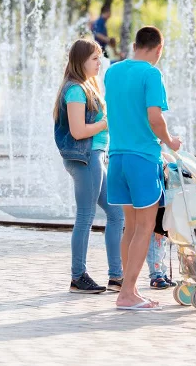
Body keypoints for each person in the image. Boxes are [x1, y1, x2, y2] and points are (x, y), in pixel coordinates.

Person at [104, 26, 181, 310]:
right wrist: (170, 141)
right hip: (143, 158)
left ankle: (129, 289)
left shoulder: (112, 72)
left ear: (135, 44)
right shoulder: (152, 74)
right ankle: (127, 294)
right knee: (146, 227)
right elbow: (154, 117)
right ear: (158, 49)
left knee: (130, 227)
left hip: (117, 157)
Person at [53, 39, 125, 294]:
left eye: (100, 57)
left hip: (95, 156)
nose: (100, 62)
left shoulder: (87, 87)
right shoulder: (75, 90)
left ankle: (117, 276)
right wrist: (105, 123)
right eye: (94, 58)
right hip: (85, 158)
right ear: (80, 61)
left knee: (117, 214)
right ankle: (77, 276)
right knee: (85, 216)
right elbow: (78, 130)